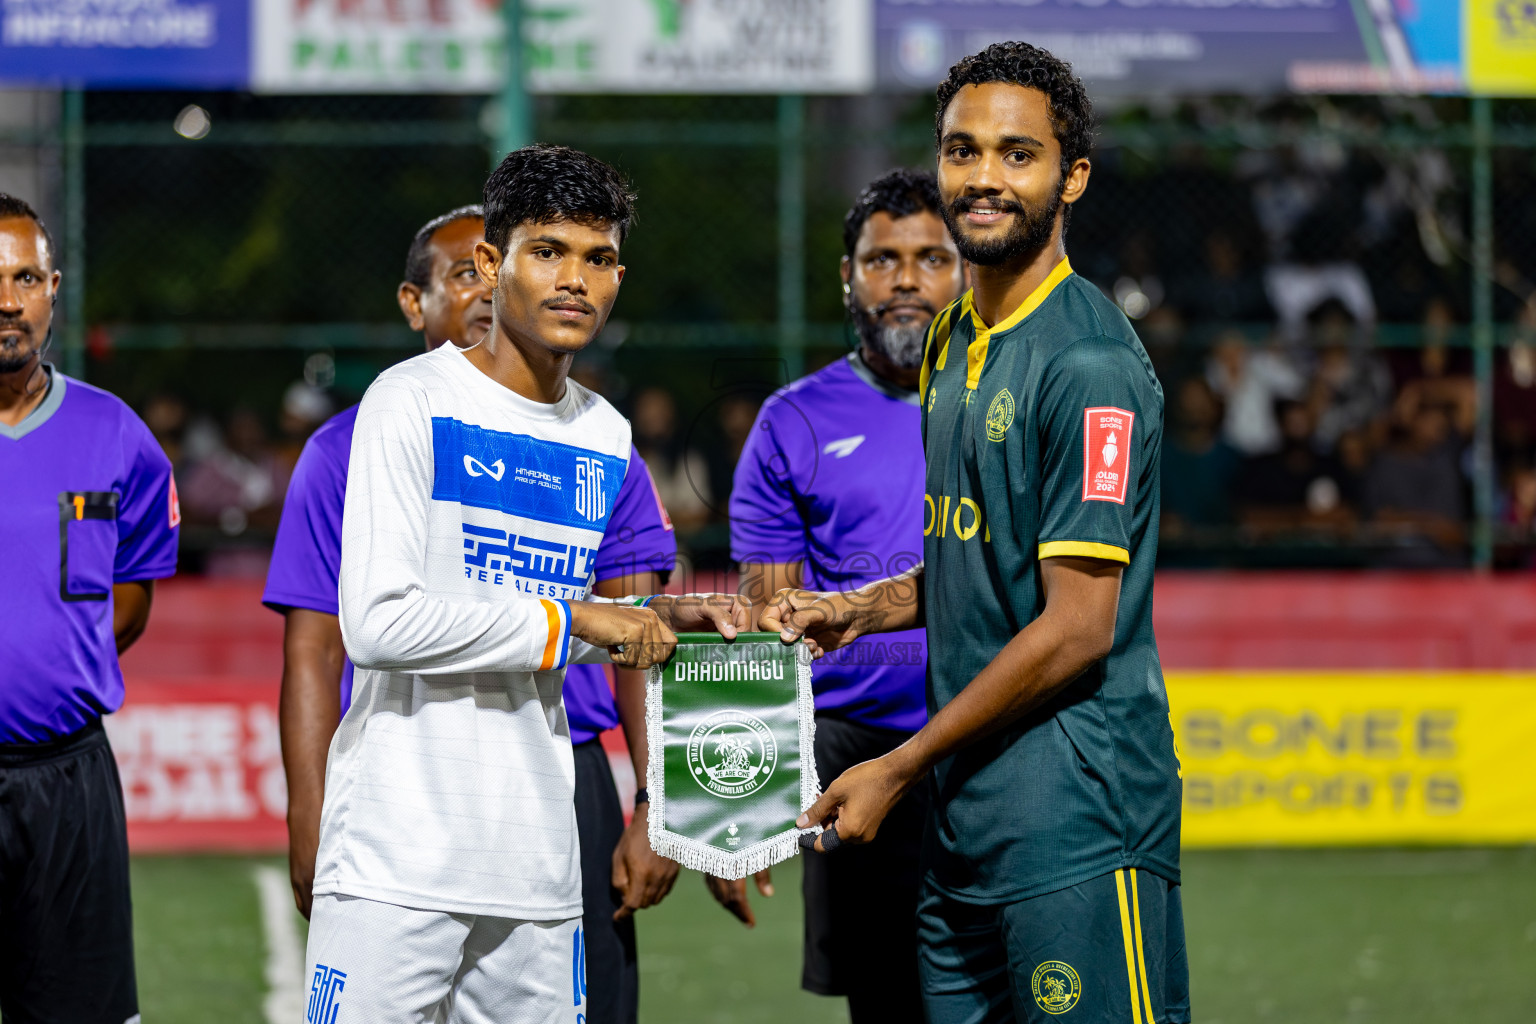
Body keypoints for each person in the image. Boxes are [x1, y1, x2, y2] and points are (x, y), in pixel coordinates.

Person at [762, 44, 1187, 1024]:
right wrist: (863, 607)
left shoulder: (1087, 363)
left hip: (1076, 822)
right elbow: (978, 551)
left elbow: (1077, 626)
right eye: (963, 150)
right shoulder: (954, 339)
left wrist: (899, 765)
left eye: (1017, 154)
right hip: (964, 823)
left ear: (1071, 176)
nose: (984, 177)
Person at [300, 144, 745, 1022]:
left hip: (538, 864)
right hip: (397, 856)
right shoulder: (408, 400)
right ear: (494, 265)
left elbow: (568, 615)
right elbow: (380, 625)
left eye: (599, 257)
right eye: (549, 251)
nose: (576, 279)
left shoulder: (603, 434)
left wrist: (660, 614)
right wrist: (587, 619)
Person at [723, 168, 963, 1021]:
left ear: (967, 269)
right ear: (848, 277)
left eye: (932, 257)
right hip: (854, 763)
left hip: (994, 740)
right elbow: (767, 625)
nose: (906, 278)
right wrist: (738, 807)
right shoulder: (794, 422)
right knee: (889, 1006)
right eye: (883, 258)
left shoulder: (1015, 399)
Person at [0, 193, 179, 1023]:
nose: (7, 299)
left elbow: (132, 598)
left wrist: (46, 672)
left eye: (25, 277)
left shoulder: (117, 434)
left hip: (67, 782)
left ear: (52, 289)